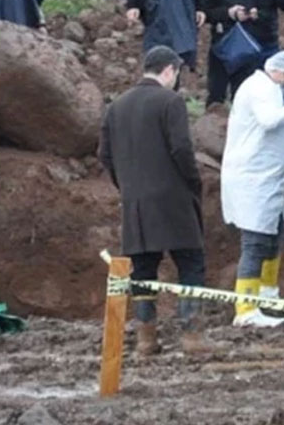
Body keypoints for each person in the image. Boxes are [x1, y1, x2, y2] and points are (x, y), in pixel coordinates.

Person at [98, 46, 209, 355]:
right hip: (173, 199)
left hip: (135, 203)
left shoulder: (116, 106)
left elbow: (104, 155)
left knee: (143, 270)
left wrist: (126, 186)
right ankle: (192, 336)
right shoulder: (170, 101)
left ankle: (146, 340)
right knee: (191, 263)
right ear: (169, 70)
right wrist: (193, 183)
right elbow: (182, 149)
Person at [221, 51, 284, 328]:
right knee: (255, 243)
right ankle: (246, 308)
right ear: (283, 73)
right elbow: (269, 120)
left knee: (275, 235)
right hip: (252, 181)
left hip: (268, 181)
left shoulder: (267, 89)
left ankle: (267, 295)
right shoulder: (261, 88)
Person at [202, 0, 260, 105]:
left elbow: (266, 10)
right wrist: (229, 13)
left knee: (243, 95)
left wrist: (255, 13)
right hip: (222, 43)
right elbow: (204, 12)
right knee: (216, 92)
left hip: (247, 44)